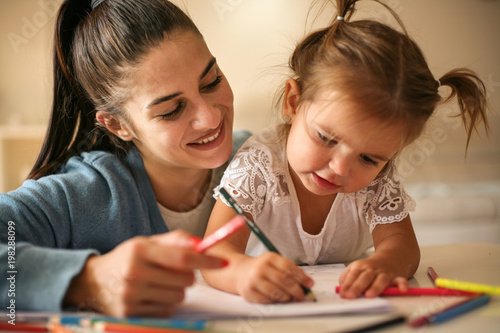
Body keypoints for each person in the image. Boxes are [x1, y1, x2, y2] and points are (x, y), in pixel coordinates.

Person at [201, 0, 489, 304]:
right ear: (293, 102)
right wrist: (244, 273)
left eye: (368, 158)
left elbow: (401, 244)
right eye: (326, 137)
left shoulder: (378, 180)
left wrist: (386, 264)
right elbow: (213, 252)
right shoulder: (257, 166)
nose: (339, 168)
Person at [0, 0, 251, 317]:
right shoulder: (79, 196)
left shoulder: (262, 160)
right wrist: (87, 281)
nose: (210, 116)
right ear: (118, 125)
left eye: (211, 81)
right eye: (171, 110)